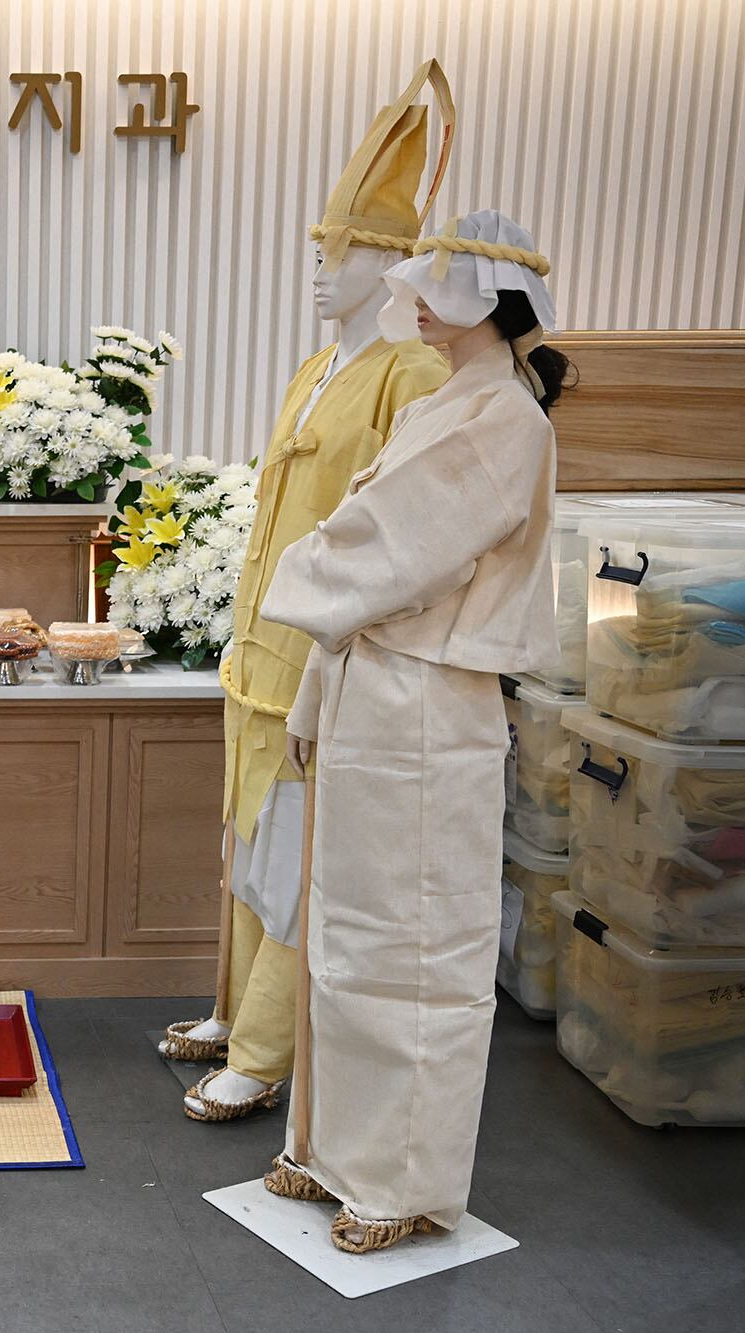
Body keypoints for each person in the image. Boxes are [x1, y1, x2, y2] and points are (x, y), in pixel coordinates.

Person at [256, 211, 567, 1252]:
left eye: (439, 282)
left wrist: (293, 582)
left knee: (418, 943)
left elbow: (392, 549)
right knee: (347, 933)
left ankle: (398, 1178)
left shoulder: (507, 421)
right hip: (372, 685)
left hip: (432, 698)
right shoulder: (445, 405)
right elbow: (375, 551)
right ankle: (332, 1145)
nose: (415, 295)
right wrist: (310, 699)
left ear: (491, 298)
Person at [164, 60, 452, 1124]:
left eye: (342, 254)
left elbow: (400, 537)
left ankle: (269, 1050)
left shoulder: (409, 377)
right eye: (322, 253)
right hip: (258, 652)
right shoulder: (312, 368)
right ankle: (234, 1011)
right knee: (244, 846)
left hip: (323, 667)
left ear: (389, 266)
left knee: (293, 863)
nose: (322, 272)